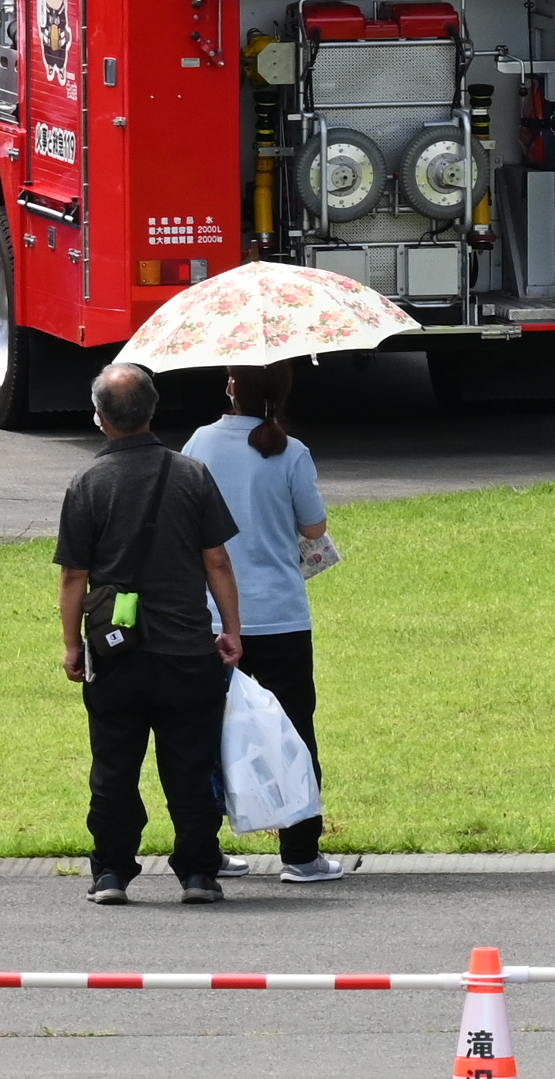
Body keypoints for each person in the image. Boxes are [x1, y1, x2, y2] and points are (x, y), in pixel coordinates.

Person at [58, 360, 246, 904]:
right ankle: (197, 872)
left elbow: (74, 575)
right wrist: (230, 629)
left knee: (114, 764)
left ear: (100, 418)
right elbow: (218, 562)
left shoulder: (88, 482)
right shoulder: (190, 475)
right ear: (152, 410)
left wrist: (73, 644)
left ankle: (111, 871)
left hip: (116, 651)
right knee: (189, 763)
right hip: (187, 647)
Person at [185, 365, 352, 883]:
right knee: (295, 730)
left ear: (231, 387)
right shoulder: (291, 451)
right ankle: (300, 853)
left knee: (205, 732)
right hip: (280, 613)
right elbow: (314, 526)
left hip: (214, 615)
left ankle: (205, 851)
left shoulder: (199, 444)